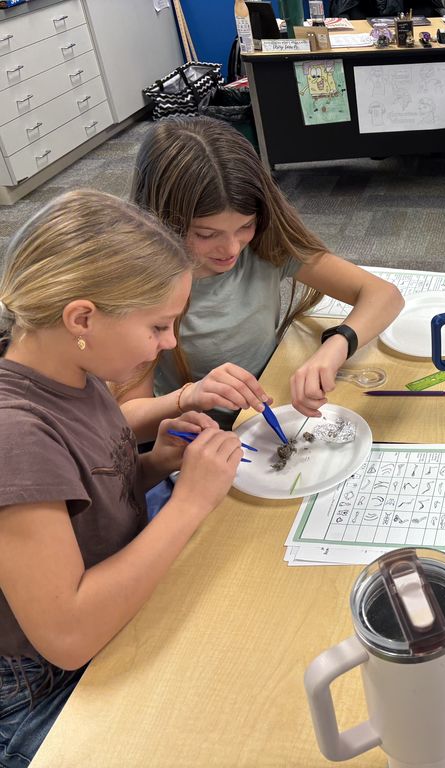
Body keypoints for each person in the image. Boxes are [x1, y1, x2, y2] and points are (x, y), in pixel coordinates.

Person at [0, 190, 242, 768]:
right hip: (43, 684)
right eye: (158, 325)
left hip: (104, 600)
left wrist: (154, 464)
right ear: (82, 318)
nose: (170, 343)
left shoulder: (70, 368)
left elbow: (86, 496)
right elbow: (68, 636)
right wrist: (189, 503)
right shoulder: (16, 436)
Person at [120, 116, 404, 438]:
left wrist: (336, 346)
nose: (231, 249)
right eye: (206, 234)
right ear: (162, 220)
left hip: (268, 412)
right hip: (198, 440)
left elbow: (384, 295)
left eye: (245, 226)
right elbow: (125, 422)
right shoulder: (140, 288)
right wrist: (189, 396)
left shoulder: (264, 245)